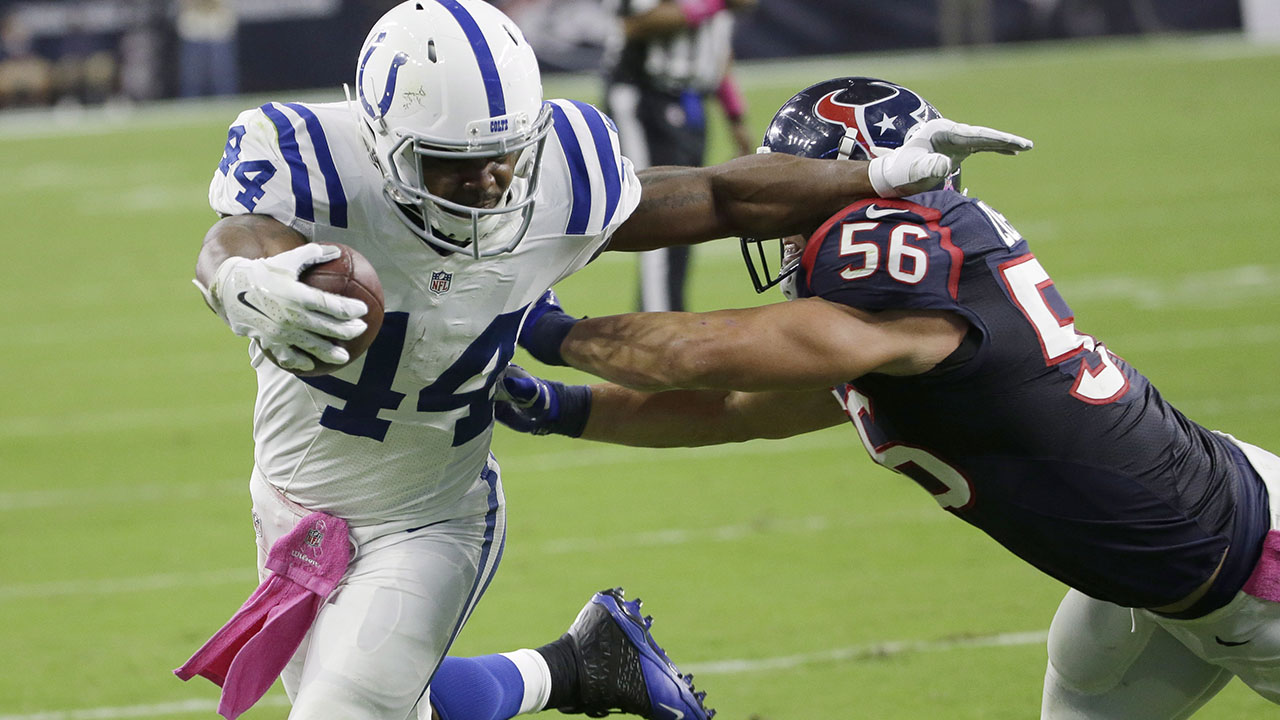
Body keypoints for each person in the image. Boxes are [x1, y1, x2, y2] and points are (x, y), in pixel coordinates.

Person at [181, 0, 1030, 713]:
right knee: (402, 702)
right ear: (377, 141)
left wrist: (877, 176)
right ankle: (582, 664)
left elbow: (721, 194)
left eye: (503, 159)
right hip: (291, 499)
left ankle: (581, 664)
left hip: (428, 516)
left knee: (349, 709)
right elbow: (234, 237)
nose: (489, 187)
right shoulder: (304, 155)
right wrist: (244, 280)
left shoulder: (559, 173)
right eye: (456, 167)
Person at [495, 76, 1280, 719]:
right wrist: (563, 408)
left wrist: (539, 323)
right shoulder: (897, 299)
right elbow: (736, 408)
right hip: (1165, 574)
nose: (777, 211)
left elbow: (697, 353)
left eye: (789, 182)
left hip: (1255, 569)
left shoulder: (891, 261)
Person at [602, 0, 757, 312]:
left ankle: (664, 314)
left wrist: (734, 114)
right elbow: (635, 22)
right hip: (647, 95)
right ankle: (659, 321)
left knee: (687, 215)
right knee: (658, 212)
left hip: (691, 100)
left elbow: (715, 47)